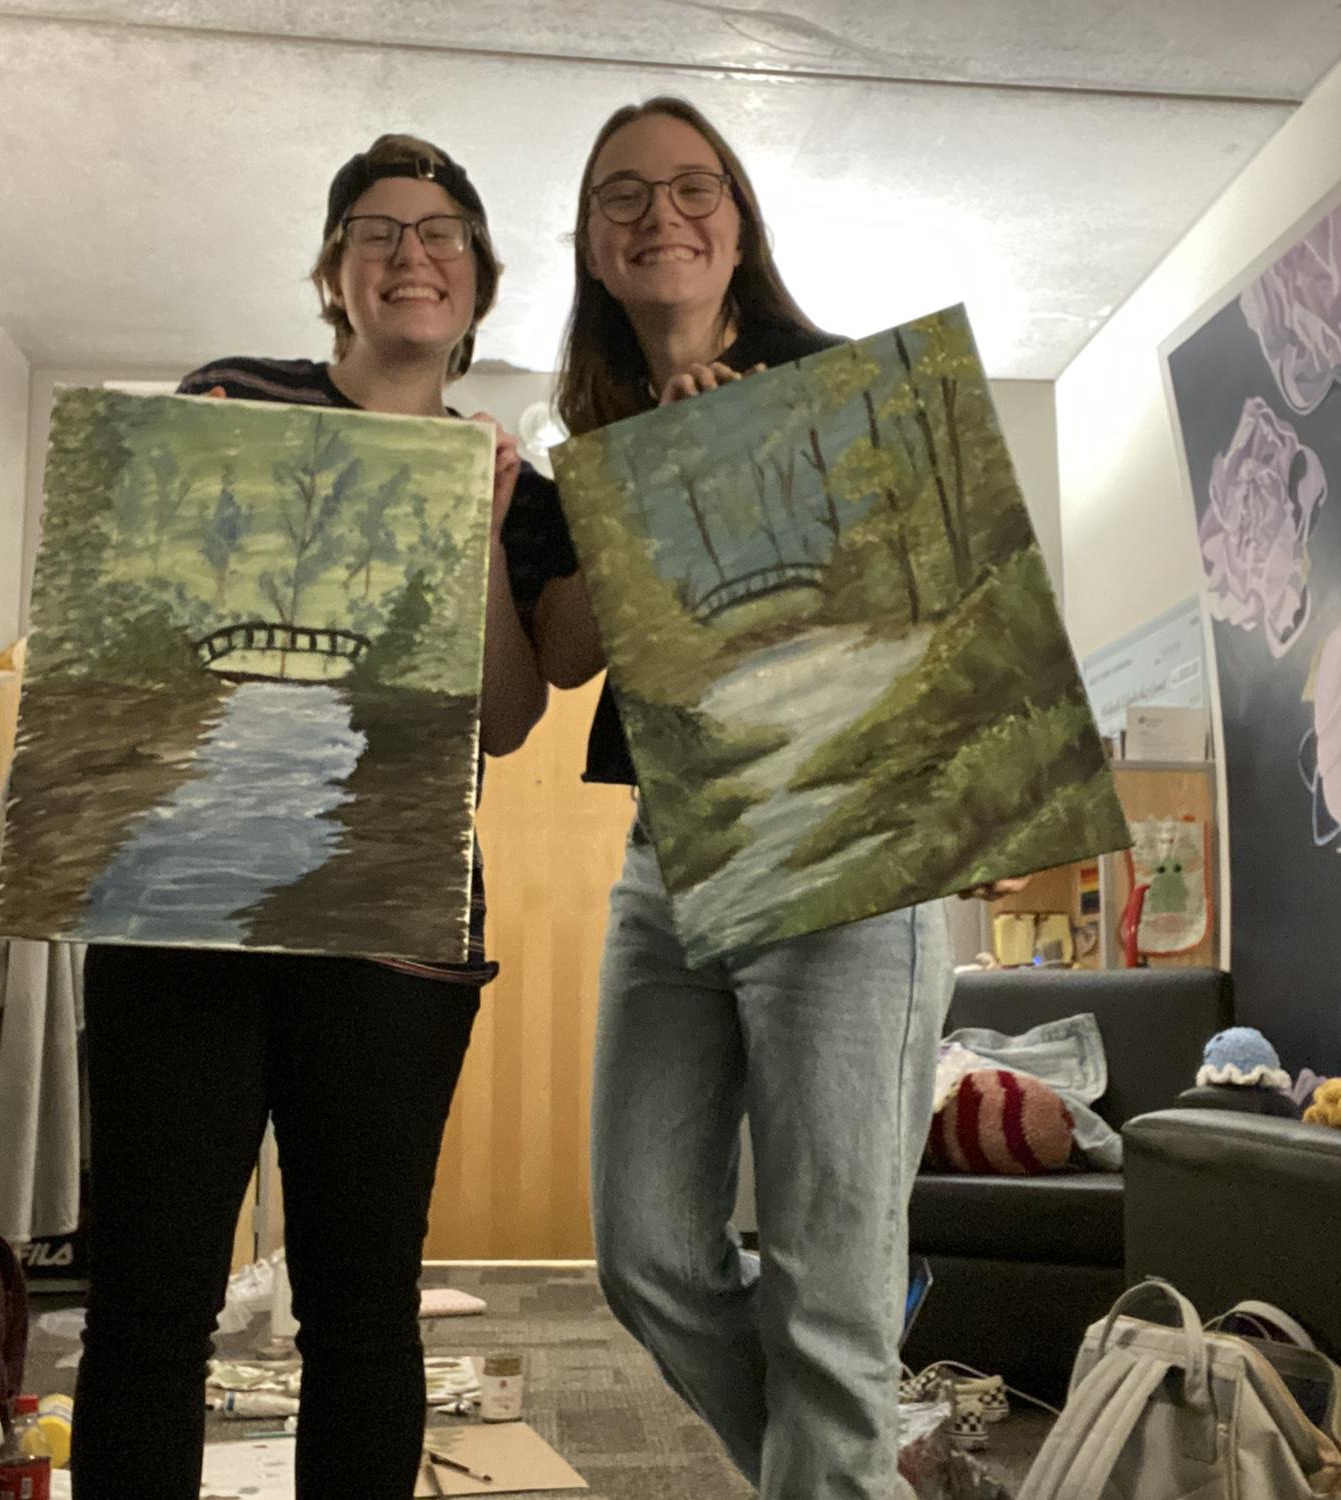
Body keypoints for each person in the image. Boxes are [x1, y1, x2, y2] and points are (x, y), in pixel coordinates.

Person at [71, 134, 574, 1500]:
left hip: (392, 923)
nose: (412, 252)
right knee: (149, 1300)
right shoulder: (232, 398)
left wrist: (473, 536)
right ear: (334, 273)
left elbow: (508, 719)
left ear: (478, 281)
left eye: (442, 232)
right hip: (191, 904)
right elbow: (140, 616)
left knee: (361, 1304)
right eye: (378, 230)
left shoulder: (517, 491)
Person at [533, 96, 1017, 1498]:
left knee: (829, 1291)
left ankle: (847, 1463)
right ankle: (866, 1469)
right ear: (594, 247)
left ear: (740, 224)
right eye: (623, 196)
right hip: (673, 852)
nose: (660, 215)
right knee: (647, 1252)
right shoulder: (589, 434)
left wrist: (755, 468)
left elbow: (941, 612)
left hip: (847, 843)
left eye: (693, 187)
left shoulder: (847, 389)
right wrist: (656, 491)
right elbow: (562, 653)